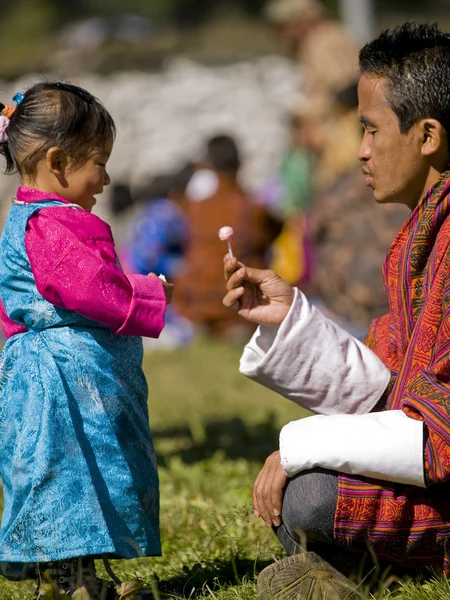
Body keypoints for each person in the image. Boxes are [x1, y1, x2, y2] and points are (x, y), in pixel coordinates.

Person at [223, 22, 450, 598]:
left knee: (311, 496)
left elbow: (440, 440)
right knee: (306, 492)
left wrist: (301, 446)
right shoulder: (420, 239)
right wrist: (292, 320)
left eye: (371, 129)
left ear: (427, 136)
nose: (362, 150)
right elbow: (389, 389)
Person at [0, 82, 173, 599]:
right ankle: (74, 582)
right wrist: (145, 292)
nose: (106, 177)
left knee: (84, 476)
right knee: (73, 475)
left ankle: (81, 580)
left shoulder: (33, 219)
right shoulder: (50, 223)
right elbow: (90, 289)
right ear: (58, 161)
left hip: (64, 376)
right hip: (62, 386)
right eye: (98, 161)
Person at [175, 135, 280, 340]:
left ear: (207, 166)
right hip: (237, 309)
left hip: (196, 304)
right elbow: (276, 233)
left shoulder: (195, 208)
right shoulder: (253, 209)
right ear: (241, 163)